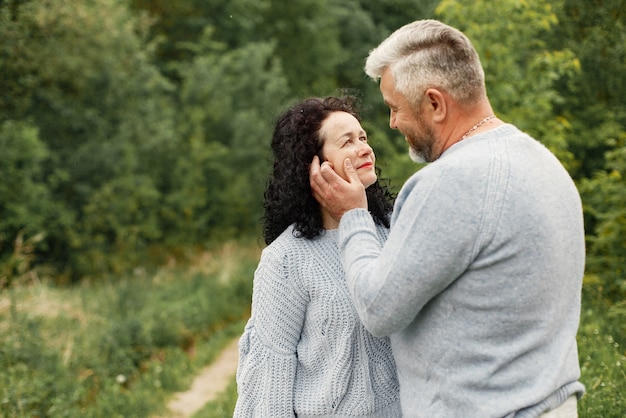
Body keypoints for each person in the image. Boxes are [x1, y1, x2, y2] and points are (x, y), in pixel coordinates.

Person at [309, 20, 585, 417]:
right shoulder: (544, 162)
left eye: (394, 108)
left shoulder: (450, 182)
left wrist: (353, 216)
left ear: (435, 103)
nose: (391, 123)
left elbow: (377, 308)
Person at [234, 96, 401, 417]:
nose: (364, 148)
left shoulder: (396, 230)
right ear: (314, 164)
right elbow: (271, 376)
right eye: (347, 142)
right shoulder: (286, 259)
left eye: (363, 137)